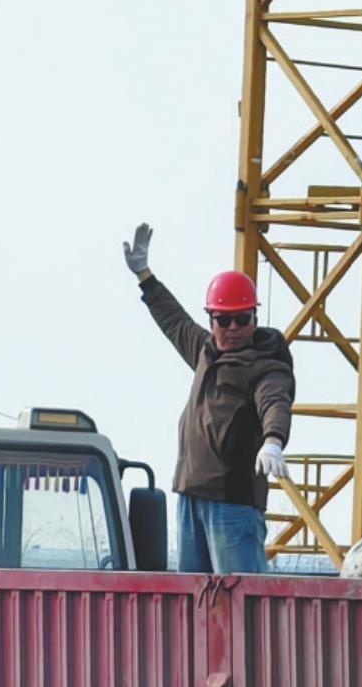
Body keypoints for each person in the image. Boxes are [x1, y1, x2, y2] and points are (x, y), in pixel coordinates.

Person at [122, 222, 294, 573]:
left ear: (254, 317)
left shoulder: (266, 365)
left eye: (242, 319)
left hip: (233, 504)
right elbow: (174, 320)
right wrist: (145, 276)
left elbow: (275, 402)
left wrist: (273, 441)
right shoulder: (205, 351)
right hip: (190, 494)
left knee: (240, 596)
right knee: (195, 596)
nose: (233, 329)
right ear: (212, 320)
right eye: (224, 320)